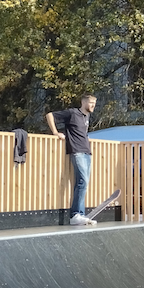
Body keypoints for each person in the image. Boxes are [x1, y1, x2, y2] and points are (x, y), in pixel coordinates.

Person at [47, 95, 98, 226]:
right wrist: (55, 132)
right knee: (82, 181)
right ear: (83, 102)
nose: (93, 105)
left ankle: (80, 214)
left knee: (83, 183)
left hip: (87, 151)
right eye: (91, 103)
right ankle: (75, 214)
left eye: (94, 103)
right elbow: (50, 115)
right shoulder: (72, 113)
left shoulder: (86, 117)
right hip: (77, 151)